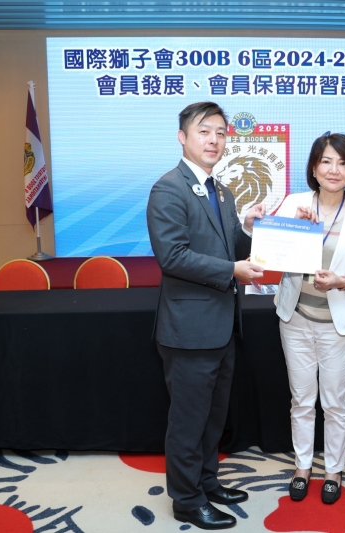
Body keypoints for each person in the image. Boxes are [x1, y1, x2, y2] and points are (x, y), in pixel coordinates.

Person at [146, 101, 266, 530]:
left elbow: (230, 246)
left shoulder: (222, 190)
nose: (214, 140)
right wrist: (231, 270)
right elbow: (173, 257)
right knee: (188, 420)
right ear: (183, 137)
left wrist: (248, 227)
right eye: (204, 131)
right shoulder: (168, 189)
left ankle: (207, 481)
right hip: (189, 330)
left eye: (220, 132)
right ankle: (186, 499)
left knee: (214, 417)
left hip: (222, 325)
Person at [273, 132, 345, 505]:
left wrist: (343, 281)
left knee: (335, 402)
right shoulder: (295, 203)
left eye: (342, 162)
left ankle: (333, 471)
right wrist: (299, 229)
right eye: (326, 161)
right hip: (295, 318)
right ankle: (303, 467)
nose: (334, 170)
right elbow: (270, 251)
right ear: (313, 168)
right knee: (301, 400)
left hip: (339, 324)